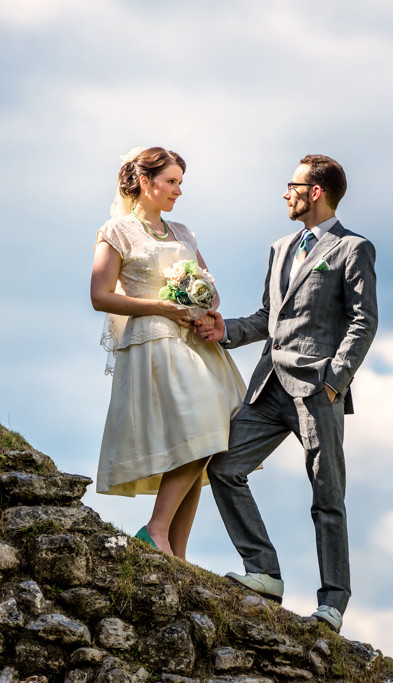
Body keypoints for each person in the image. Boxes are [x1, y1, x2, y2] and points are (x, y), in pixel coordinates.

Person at [194, 154, 378, 633]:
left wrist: (336, 381)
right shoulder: (278, 248)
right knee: (224, 465)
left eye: (292, 185)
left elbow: (364, 322)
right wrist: (224, 329)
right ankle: (265, 573)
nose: (285, 193)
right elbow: (266, 318)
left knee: (326, 494)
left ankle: (332, 603)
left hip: (319, 391)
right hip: (269, 385)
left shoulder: (353, 249)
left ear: (315, 192)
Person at [90, 146, 245, 560]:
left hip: (193, 339)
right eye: (171, 181)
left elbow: (210, 285)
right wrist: (161, 306)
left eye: (180, 182)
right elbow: (100, 296)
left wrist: (204, 306)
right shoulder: (116, 231)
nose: (178, 190)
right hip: (154, 341)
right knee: (203, 427)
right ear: (145, 181)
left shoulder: (183, 233)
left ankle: (176, 552)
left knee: (204, 436)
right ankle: (155, 529)